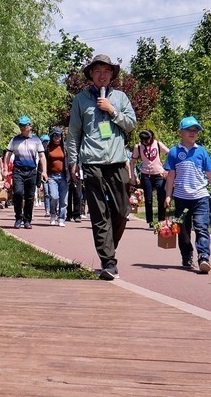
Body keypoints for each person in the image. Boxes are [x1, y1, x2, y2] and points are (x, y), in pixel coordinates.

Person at [66, 54, 137, 280]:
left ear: (112, 75)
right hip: (91, 162)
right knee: (99, 214)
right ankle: (108, 261)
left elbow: (131, 124)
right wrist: (73, 161)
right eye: (98, 71)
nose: (102, 75)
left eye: (106, 71)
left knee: (122, 212)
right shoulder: (81, 100)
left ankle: (109, 248)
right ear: (91, 75)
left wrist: (112, 110)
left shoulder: (121, 97)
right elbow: (74, 133)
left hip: (116, 161)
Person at [164, 116, 211, 273]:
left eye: (195, 130)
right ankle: (187, 255)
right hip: (181, 199)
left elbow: (210, 172)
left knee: (201, 227)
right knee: (182, 229)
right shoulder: (174, 152)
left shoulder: (201, 151)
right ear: (180, 133)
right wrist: (168, 196)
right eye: (189, 130)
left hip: (200, 198)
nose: (193, 132)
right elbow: (170, 176)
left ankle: (203, 257)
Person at [4, 116, 46, 229]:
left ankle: (27, 220)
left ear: (30, 126)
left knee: (30, 197)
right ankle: (18, 218)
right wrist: (5, 169)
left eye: (24, 125)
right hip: (18, 170)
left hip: (32, 171)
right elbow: (7, 155)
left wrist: (44, 171)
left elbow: (42, 156)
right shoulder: (15, 139)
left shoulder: (36, 140)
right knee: (17, 193)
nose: (22, 128)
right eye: (20, 126)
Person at [130, 128, 167, 229]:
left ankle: (161, 220)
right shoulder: (138, 147)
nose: (146, 142)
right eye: (143, 140)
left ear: (151, 137)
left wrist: (167, 169)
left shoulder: (158, 144)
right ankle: (150, 222)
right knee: (148, 199)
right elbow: (132, 161)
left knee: (161, 197)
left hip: (159, 173)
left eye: (147, 139)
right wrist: (132, 176)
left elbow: (170, 154)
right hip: (146, 174)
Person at [43, 128, 69, 226]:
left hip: (63, 176)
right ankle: (53, 214)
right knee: (54, 196)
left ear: (61, 137)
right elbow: (43, 161)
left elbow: (70, 162)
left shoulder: (65, 148)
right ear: (52, 137)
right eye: (55, 135)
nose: (56, 137)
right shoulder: (48, 148)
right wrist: (43, 173)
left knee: (64, 199)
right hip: (52, 176)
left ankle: (61, 218)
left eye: (58, 135)